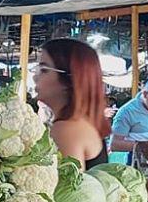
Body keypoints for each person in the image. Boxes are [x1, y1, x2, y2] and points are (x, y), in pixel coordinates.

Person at [34, 38, 110, 168]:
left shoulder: (65, 130)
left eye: (44, 69)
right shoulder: (81, 123)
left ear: (69, 81)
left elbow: (67, 187)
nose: (35, 77)